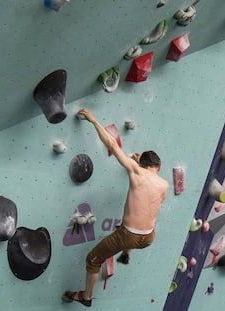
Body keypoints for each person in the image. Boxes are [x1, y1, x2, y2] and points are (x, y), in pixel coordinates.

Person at [62, 108, 168, 307]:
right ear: (159, 168)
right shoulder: (164, 184)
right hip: (148, 238)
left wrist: (93, 120)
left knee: (92, 260)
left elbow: (111, 143)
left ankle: (86, 297)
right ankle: (127, 253)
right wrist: (139, 165)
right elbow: (147, 199)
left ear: (142, 165)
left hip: (129, 236)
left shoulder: (136, 171)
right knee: (132, 222)